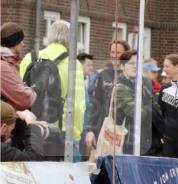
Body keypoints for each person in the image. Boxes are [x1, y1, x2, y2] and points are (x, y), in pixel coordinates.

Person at [20, 19, 85, 155]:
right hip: (58, 132)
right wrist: (74, 135)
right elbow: (78, 105)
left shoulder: (29, 58)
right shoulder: (73, 64)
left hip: (29, 129)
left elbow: (18, 94)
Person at [85, 38, 131, 155]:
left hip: (126, 134)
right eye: (112, 52)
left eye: (118, 53)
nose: (114, 56)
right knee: (99, 168)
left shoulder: (131, 76)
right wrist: (90, 131)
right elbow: (96, 105)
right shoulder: (102, 75)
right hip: (104, 131)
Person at [113, 50, 160, 154]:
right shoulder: (119, 86)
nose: (135, 66)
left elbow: (157, 107)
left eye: (138, 63)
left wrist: (150, 109)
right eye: (131, 63)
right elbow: (136, 113)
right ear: (122, 66)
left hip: (146, 139)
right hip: (126, 139)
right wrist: (149, 109)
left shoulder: (146, 82)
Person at [1, 22, 35, 111]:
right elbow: (24, 99)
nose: (24, 45)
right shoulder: (3, 66)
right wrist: (32, 91)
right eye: (21, 41)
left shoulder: (10, 63)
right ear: (14, 42)